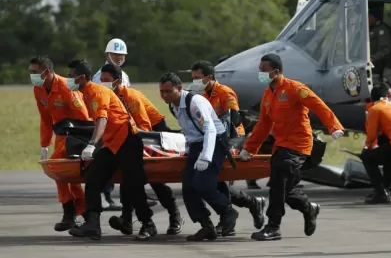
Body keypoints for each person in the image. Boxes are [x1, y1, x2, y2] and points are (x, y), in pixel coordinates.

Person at [240, 53, 345, 241]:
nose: (260, 73)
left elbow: (319, 106)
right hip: (281, 143)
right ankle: (308, 208)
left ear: (276, 71)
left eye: (263, 70)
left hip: (299, 143)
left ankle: (273, 226)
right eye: (260, 70)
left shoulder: (295, 88)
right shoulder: (267, 95)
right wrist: (249, 148)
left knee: (279, 178)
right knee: (285, 190)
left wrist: (334, 126)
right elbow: (263, 125)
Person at [66, 59, 156, 241]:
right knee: (93, 177)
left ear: (82, 78)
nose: (68, 79)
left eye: (71, 76)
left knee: (134, 184)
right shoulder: (86, 93)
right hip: (113, 144)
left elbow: (102, 119)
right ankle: (93, 224)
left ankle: (148, 224)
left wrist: (92, 144)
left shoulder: (98, 92)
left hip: (128, 140)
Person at [99, 64, 183, 236]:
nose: (102, 84)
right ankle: (127, 220)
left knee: (153, 178)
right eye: (100, 81)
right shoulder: (106, 96)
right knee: (127, 177)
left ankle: (175, 216)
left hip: (153, 134)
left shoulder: (131, 97)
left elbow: (145, 127)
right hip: (130, 137)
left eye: (105, 81)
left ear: (117, 81)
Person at [159, 72, 239, 241]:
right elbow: (189, 130)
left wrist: (206, 157)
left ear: (179, 89)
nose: (164, 95)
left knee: (202, 184)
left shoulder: (194, 102)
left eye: (168, 91)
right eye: (162, 92)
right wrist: (188, 149)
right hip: (197, 143)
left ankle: (228, 211)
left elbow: (210, 130)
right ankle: (206, 225)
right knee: (188, 188)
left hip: (215, 141)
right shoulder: (173, 106)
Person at [189, 60, 266, 235]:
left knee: (214, 182)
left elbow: (234, 118)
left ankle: (232, 217)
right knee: (217, 182)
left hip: (230, 139)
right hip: (211, 139)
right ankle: (246, 207)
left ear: (209, 77)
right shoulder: (201, 94)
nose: (194, 81)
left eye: (197, 78)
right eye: (192, 78)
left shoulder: (225, 93)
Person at [29, 56, 90, 232]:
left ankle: (74, 211)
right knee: (63, 173)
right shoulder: (38, 89)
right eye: (30, 72)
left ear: (47, 72)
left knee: (63, 169)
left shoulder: (66, 88)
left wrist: (85, 143)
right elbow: (46, 118)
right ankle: (76, 212)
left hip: (79, 134)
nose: (31, 76)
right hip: (61, 134)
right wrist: (44, 144)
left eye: (34, 72)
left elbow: (84, 117)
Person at [91, 38, 134, 211]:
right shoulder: (101, 76)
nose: (119, 58)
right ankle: (103, 195)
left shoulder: (123, 75)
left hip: (120, 124)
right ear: (107, 55)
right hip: (106, 123)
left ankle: (109, 196)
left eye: (122, 55)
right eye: (115, 54)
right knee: (104, 160)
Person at [368, 7, 391, 82]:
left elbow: (386, 49)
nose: (367, 19)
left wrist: (374, 58)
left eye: (369, 16)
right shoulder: (372, 28)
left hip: (378, 67)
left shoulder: (382, 30)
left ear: (374, 17)